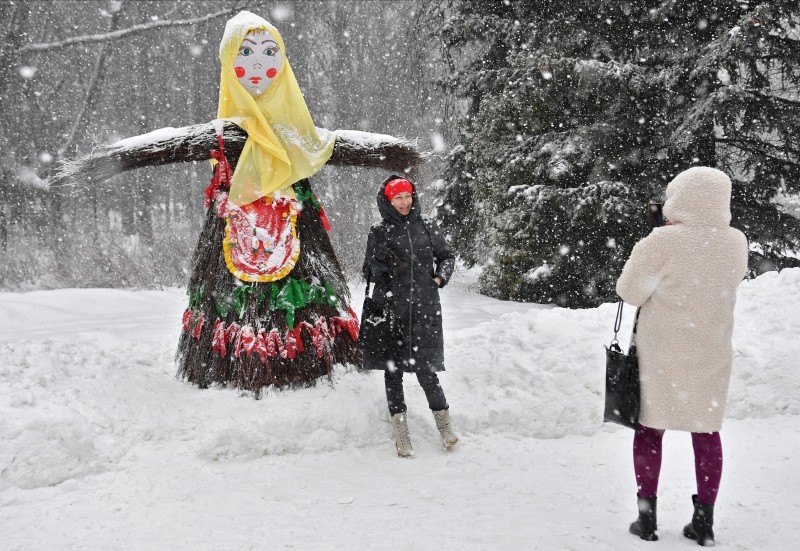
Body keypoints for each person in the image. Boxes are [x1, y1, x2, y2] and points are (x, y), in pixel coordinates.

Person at [616, 166, 748, 546]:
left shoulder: (661, 241)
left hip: (661, 354)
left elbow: (629, 291)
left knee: (649, 431)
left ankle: (647, 519)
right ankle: (704, 522)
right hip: (712, 351)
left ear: (681, 197)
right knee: (706, 433)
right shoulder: (736, 242)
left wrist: (658, 240)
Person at [362, 175, 458, 457]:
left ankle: (445, 428)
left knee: (427, 371)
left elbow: (447, 256)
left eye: (407, 196)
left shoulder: (426, 225)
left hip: (424, 308)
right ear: (388, 201)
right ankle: (402, 435)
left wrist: (438, 279)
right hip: (393, 310)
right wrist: (379, 261)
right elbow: (369, 273)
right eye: (398, 198)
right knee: (393, 374)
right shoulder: (379, 231)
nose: (404, 202)